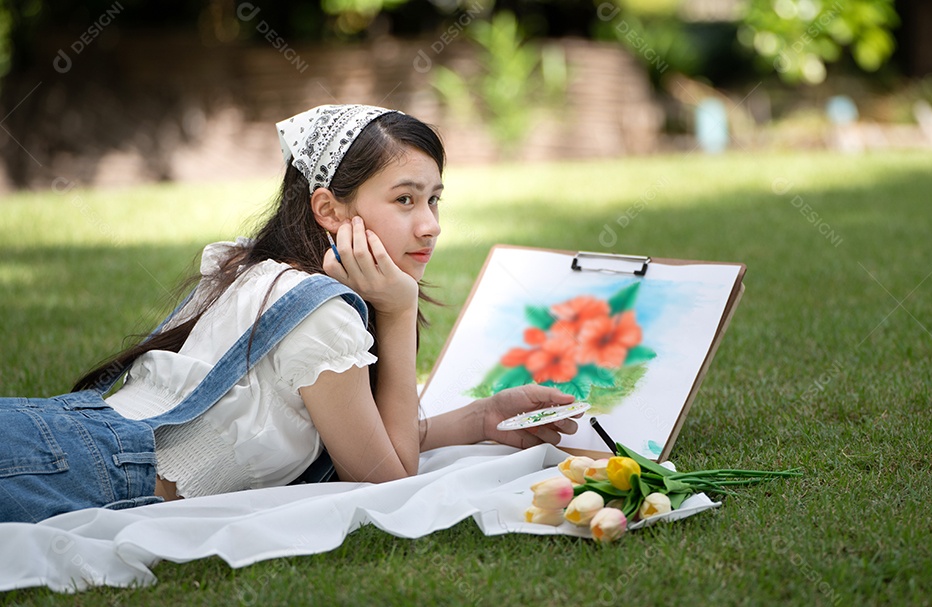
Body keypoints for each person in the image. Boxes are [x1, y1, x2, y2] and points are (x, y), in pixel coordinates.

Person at [1, 104, 577, 522]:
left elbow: (359, 435)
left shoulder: (265, 269)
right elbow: (391, 480)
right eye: (405, 199)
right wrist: (398, 318)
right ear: (328, 208)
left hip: (65, 442)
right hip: (71, 470)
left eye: (433, 199)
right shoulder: (321, 315)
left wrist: (480, 420)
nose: (430, 224)